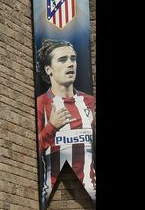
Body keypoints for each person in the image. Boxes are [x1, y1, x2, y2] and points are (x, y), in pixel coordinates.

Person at [36, 39, 95, 205]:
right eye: (62, 60)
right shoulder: (40, 104)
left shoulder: (90, 102)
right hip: (51, 194)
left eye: (73, 59)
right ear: (48, 69)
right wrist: (51, 127)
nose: (70, 64)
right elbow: (28, 152)